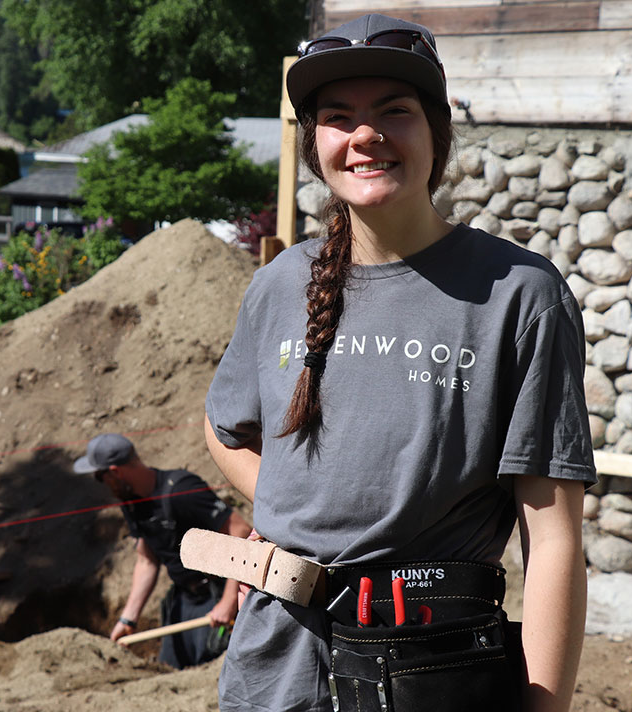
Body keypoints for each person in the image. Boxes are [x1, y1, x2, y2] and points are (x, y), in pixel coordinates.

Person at [203, 13, 595, 712]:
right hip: (272, 670)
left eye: (395, 111)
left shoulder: (519, 296)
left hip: (427, 674)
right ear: (313, 141)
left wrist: (545, 705)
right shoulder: (278, 285)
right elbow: (224, 428)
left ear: (437, 133)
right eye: (337, 116)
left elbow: (554, 535)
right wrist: (292, 510)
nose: (364, 136)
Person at [75, 433, 253, 669]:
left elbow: (240, 531)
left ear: (115, 472)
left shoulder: (182, 491)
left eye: (101, 477)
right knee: (169, 666)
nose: (103, 485)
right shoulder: (131, 502)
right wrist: (128, 618)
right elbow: (146, 560)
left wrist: (229, 600)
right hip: (184, 600)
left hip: (218, 594)